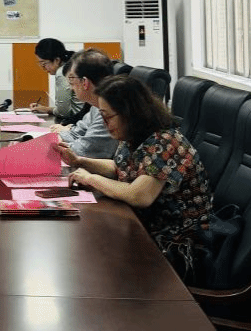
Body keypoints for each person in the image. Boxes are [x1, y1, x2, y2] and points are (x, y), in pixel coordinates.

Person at [66, 75, 212, 280]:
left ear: (130, 113)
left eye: (108, 117)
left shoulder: (165, 142)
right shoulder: (134, 135)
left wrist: (91, 179)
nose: (105, 124)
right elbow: (121, 168)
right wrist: (79, 161)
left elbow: (139, 195)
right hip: (148, 228)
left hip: (177, 244)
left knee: (94, 260)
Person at [51, 48, 117, 158]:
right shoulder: (96, 106)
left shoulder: (109, 110)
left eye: (72, 81)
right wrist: (56, 138)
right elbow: (76, 133)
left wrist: (53, 146)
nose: (71, 88)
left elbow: (86, 150)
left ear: (85, 82)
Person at [29, 38, 88, 124]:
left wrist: (49, 110)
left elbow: (63, 112)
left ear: (57, 60)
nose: (43, 68)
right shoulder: (71, 66)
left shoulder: (62, 72)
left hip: (78, 121)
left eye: (44, 64)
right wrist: (47, 109)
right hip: (83, 118)